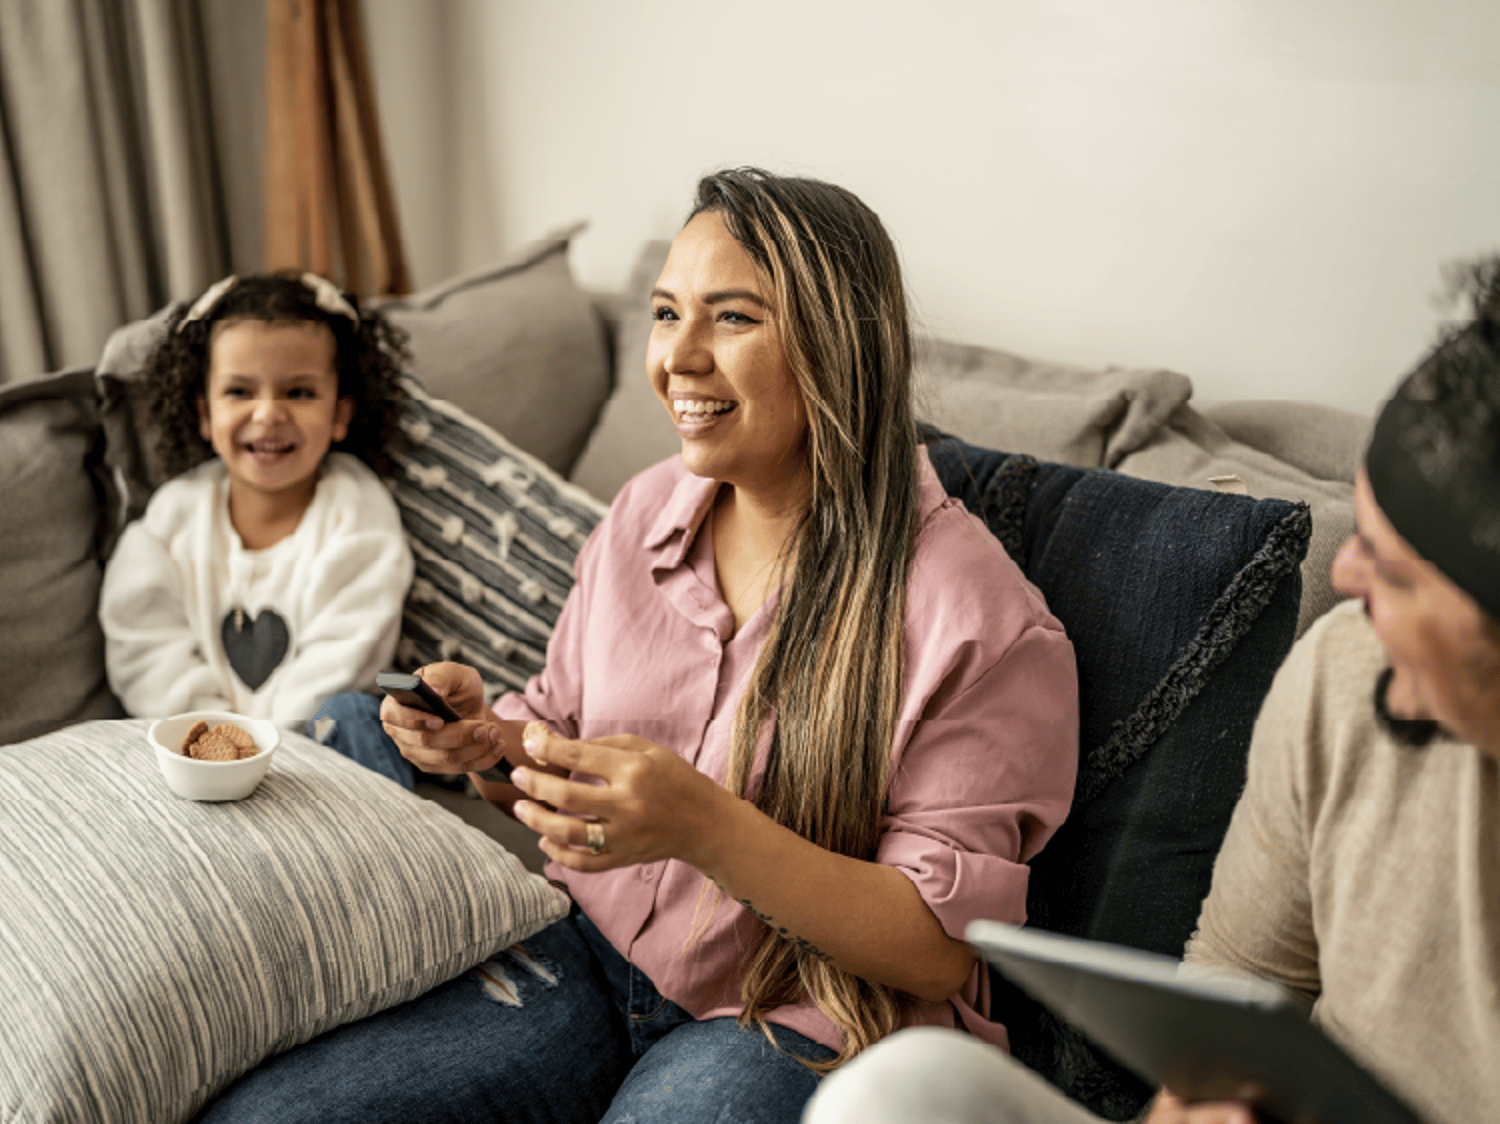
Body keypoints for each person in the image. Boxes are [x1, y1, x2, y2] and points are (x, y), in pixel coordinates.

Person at [195, 168, 1080, 1124]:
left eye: (732, 318)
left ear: (839, 345)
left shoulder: (975, 618)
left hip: (799, 1020)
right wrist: (487, 746)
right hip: (590, 953)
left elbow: (938, 947)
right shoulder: (647, 510)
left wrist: (705, 827)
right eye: (666, 313)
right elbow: (559, 744)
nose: (679, 358)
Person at [801, 260, 1500, 1124]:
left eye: (1395, 571)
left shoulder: (973, 610)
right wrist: (1185, 1107)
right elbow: (1240, 984)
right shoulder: (1344, 676)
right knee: (900, 1090)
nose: (1347, 576)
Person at [98, 272, 414, 733]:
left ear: (340, 414)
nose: (268, 414)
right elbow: (143, 642)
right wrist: (217, 739)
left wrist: (268, 748)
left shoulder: (357, 513)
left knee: (355, 717)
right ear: (205, 414)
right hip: (197, 747)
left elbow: (350, 644)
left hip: (318, 748)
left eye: (299, 392)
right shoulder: (173, 517)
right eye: (240, 392)